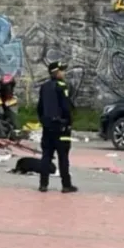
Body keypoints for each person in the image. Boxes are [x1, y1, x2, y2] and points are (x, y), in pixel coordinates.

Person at [37, 61, 78, 193]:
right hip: (61, 127)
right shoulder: (62, 87)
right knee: (63, 156)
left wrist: (44, 121)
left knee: (46, 155)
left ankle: (43, 184)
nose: (64, 73)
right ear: (56, 72)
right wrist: (69, 123)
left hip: (47, 126)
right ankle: (66, 184)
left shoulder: (44, 87)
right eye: (62, 70)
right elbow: (66, 107)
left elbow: (39, 108)